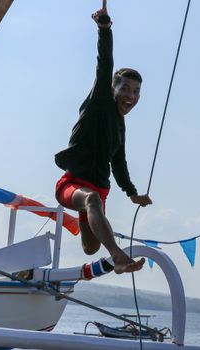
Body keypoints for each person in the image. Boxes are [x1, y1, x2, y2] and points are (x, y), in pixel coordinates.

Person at [54, 0, 152, 274]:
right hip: (72, 185)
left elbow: (119, 163)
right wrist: (104, 29)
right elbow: (104, 63)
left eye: (136, 92)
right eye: (126, 89)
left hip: (100, 190)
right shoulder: (100, 101)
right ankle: (119, 258)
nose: (131, 97)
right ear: (113, 89)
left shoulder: (120, 126)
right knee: (91, 201)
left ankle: (91, 223)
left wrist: (132, 193)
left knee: (90, 248)